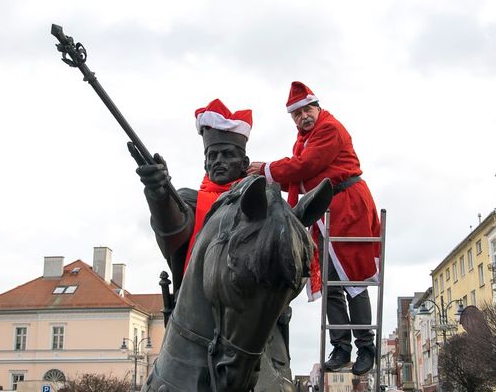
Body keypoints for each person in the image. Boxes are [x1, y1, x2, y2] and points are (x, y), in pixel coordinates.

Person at [129, 98, 295, 387]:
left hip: (255, 327)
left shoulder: (266, 203)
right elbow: (173, 234)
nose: (218, 161)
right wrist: (159, 193)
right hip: (195, 324)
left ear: (244, 163)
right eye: (212, 155)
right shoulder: (189, 200)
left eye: (227, 154)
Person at [247, 81, 380, 375]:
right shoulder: (305, 139)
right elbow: (298, 177)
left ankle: (366, 347)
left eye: (307, 109)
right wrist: (264, 178)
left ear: (317, 107)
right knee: (332, 284)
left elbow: (304, 167)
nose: (303, 116)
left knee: (353, 282)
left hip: (348, 208)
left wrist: (266, 169)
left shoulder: (330, 130)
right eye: (296, 114)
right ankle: (341, 347)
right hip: (324, 213)